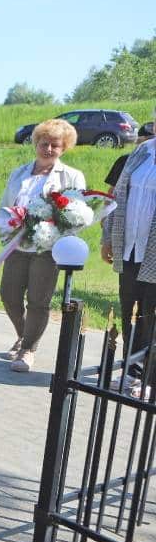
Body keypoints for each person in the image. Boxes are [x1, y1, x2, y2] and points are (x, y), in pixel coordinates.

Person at [0, 118, 86, 373]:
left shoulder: (72, 176)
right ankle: (24, 335)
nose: (48, 149)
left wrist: (53, 230)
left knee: (38, 300)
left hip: (48, 248)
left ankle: (28, 350)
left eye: (55, 145)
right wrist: (6, 227)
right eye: (44, 143)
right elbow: (4, 205)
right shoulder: (19, 173)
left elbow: (77, 214)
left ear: (64, 148)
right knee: (9, 296)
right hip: (18, 245)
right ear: (36, 143)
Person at [101, 123, 156, 395]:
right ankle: (132, 374)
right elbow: (117, 196)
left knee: (152, 317)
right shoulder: (142, 152)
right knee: (131, 313)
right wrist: (108, 236)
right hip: (131, 248)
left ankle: (150, 381)